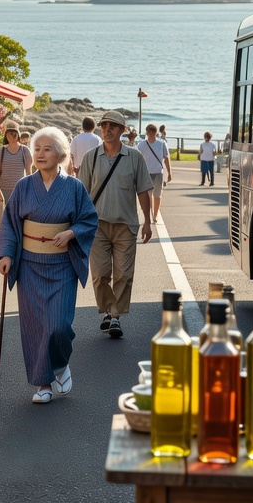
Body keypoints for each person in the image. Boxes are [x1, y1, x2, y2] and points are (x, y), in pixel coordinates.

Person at [0, 127, 98, 404]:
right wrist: (6, 254)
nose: (40, 154)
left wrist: (72, 232)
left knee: (58, 325)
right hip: (30, 264)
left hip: (61, 264)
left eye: (47, 149)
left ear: (62, 155)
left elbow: (89, 219)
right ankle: (42, 383)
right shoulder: (23, 186)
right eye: (37, 149)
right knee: (34, 326)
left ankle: (61, 363)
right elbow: (10, 223)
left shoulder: (74, 188)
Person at [77, 111, 155, 338]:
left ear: (122, 131)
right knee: (100, 274)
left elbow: (143, 190)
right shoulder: (91, 157)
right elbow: (81, 193)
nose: (107, 129)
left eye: (113, 126)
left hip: (126, 226)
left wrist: (147, 222)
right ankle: (110, 310)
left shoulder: (134, 156)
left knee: (123, 275)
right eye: (104, 126)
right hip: (97, 226)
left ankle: (115, 317)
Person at [0, 121, 33, 223]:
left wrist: (30, 191)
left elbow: (29, 172)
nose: (12, 135)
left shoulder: (25, 150)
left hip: (20, 190)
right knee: (3, 221)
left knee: (18, 220)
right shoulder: (1, 150)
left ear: (18, 134)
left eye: (14, 133)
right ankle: (4, 239)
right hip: (3, 190)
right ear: (6, 135)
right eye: (9, 133)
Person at [138, 124, 172, 223]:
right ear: (147, 133)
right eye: (149, 132)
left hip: (158, 172)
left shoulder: (161, 144)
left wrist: (170, 172)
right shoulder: (142, 145)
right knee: (148, 196)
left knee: (157, 195)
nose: (150, 134)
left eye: (152, 132)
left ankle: (155, 215)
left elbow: (166, 158)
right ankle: (149, 215)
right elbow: (137, 157)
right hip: (147, 173)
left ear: (155, 133)